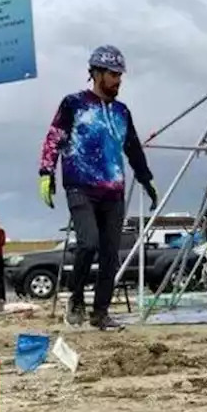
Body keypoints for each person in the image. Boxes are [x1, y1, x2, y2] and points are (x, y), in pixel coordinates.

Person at [38, 45, 158, 330]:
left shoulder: (122, 111)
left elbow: (132, 148)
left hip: (113, 191)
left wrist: (146, 178)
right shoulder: (74, 103)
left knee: (109, 253)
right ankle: (76, 299)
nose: (118, 80)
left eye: (120, 75)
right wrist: (46, 172)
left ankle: (100, 313)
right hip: (81, 185)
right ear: (96, 73)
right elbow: (54, 137)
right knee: (88, 242)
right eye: (113, 74)